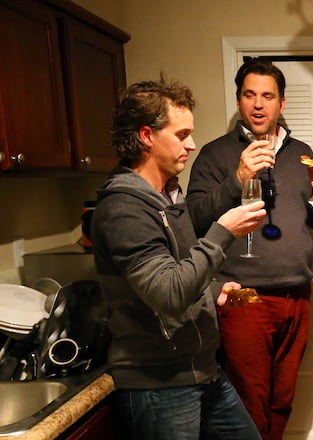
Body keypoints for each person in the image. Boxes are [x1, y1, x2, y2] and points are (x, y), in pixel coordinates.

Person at [90, 76, 265, 440]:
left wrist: (212, 289)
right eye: (182, 135)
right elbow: (168, 293)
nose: (192, 144)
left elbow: (178, 270)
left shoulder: (171, 196)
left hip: (201, 369)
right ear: (147, 136)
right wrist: (223, 231)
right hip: (159, 382)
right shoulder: (123, 208)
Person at [186, 57, 313, 439]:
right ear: (238, 101)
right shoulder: (215, 153)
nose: (258, 104)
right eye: (249, 95)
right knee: (247, 398)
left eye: (267, 96)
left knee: (283, 398)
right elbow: (194, 218)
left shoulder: (303, 152)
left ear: (281, 103)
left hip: (297, 295)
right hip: (243, 295)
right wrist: (237, 178)